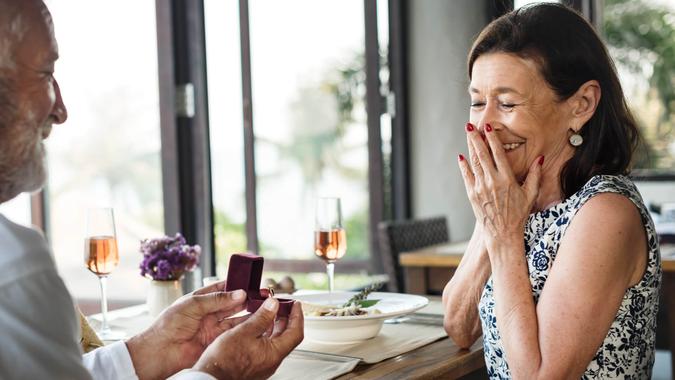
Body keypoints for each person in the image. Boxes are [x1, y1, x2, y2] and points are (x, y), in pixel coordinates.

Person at [0, 0, 304, 379]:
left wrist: (151, 349)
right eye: (46, 74)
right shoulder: (12, 268)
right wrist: (218, 372)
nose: (61, 109)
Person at [442, 3, 660, 379]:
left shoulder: (606, 212)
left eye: (507, 103)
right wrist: (493, 222)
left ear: (581, 104)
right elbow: (460, 327)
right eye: (478, 102)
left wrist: (505, 237)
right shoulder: (509, 202)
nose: (484, 123)